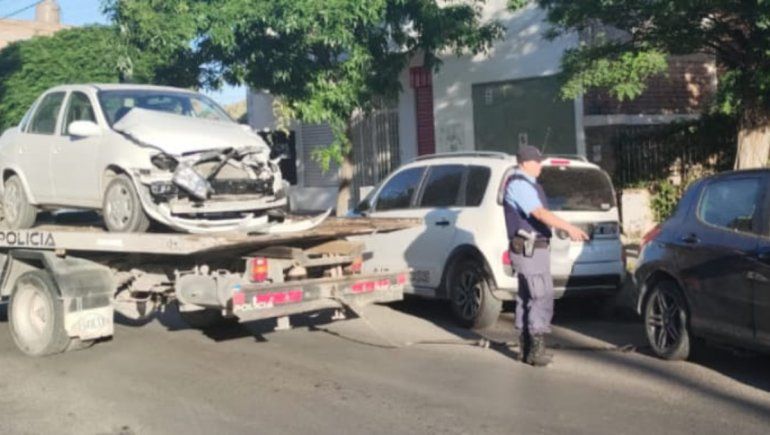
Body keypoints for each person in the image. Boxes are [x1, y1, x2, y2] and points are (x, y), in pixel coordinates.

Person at [504, 146, 589, 367]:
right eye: (537, 161)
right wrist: (569, 227)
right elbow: (540, 213)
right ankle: (535, 349)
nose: (540, 165)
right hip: (529, 248)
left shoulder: (528, 184)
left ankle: (526, 349)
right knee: (541, 294)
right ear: (524, 163)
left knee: (528, 296)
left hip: (533, 248)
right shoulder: (520, 185)